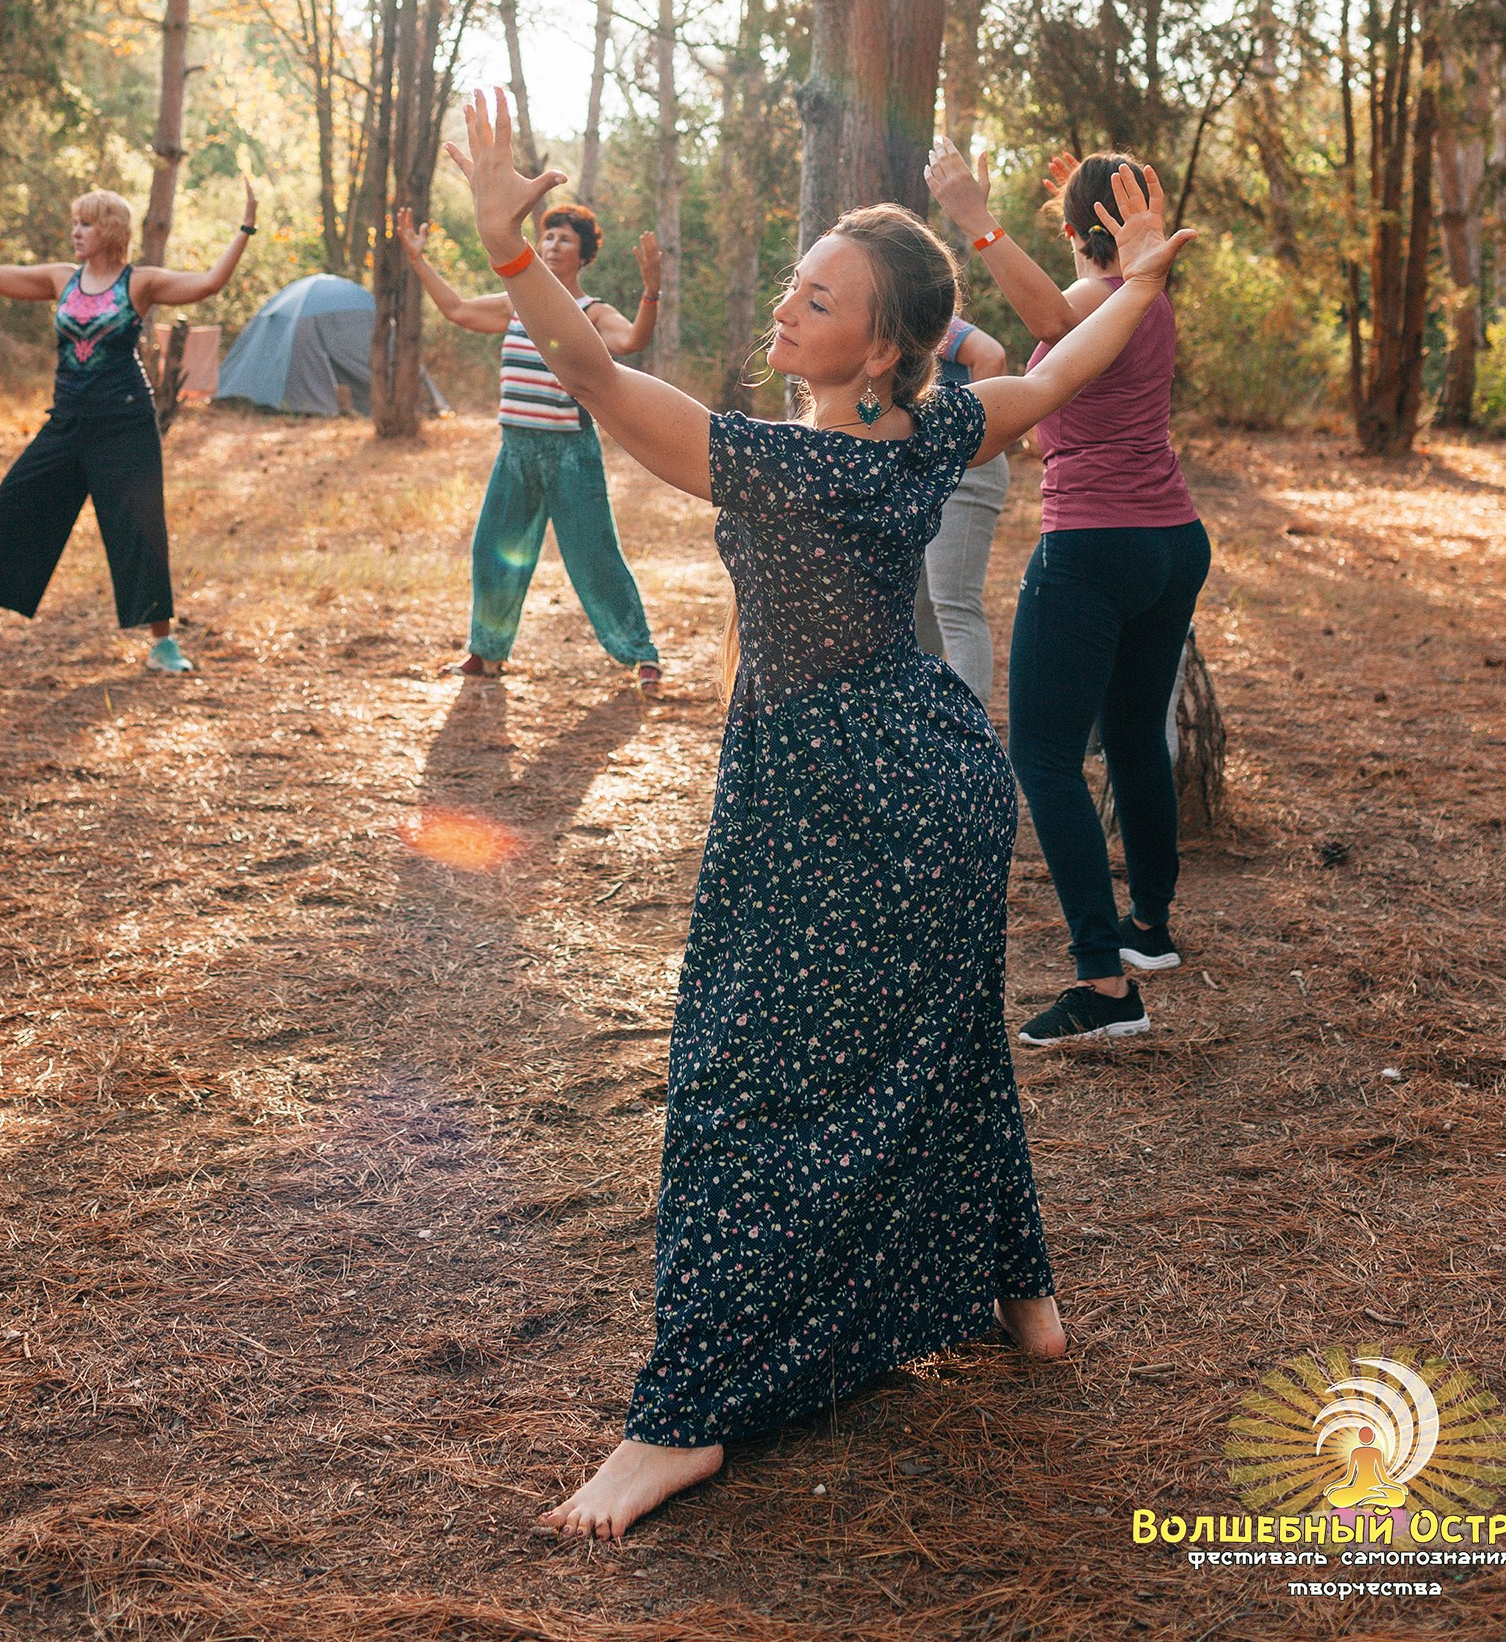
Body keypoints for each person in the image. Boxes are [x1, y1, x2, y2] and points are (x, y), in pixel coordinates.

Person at [446, 90, 1196, 1543]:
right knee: (940, 1033)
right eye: (795, 282)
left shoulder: (800, 461)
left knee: (739, 1084)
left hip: (832, 789)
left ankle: (680, 1425)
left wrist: (514, 256)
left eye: (821, 297)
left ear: (886, 342)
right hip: (937, 770)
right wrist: (1141, 282)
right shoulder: (932, 434)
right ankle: (1022, 1300)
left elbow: (599, 382)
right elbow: (1070, 376)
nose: (790, 305)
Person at [923, 138, 1210, 1050]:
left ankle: (1104, 984)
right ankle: (1150, 928)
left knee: (1043, 758)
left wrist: (973, 215)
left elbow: (1048, 309)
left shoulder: (1096, 299)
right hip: (1172, 539)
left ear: (1073, 226)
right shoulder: (1142, 293)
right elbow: (1067, 300)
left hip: (1094, 544)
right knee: (1129, 733)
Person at [0, 172, 257, 676]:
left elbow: (209, 282)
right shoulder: (60, 278)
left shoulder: (140, 283)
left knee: (140, 530)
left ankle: (162, 643)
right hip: (67, 423)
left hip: (125, 424)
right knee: (7, 508)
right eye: (74, 224)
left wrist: (245, 229)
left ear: (109, 230)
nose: (76, 232)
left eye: (85, 224)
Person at [395, 200, 663, 686]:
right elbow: (456, 308)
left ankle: (640, 654)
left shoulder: (593, 312)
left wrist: (651, 292)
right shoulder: (516, 303)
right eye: (548, 236)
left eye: (565, 239)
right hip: (515, 451)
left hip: (570, 454)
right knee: (491, 550)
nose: (553, 244)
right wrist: (418, 259)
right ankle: (486, 651)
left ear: (584, 256)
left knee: (595, 556)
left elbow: (632, 342)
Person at [916, 308, 1011, 701]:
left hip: (967, 467)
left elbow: (991, 354)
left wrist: (972, 440)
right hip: (924, 469)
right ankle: (917, 730)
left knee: (955, 607)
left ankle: (972, 747)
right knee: (913, 613)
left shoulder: (923, 315)